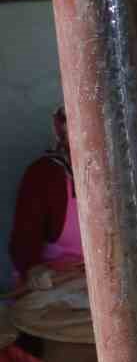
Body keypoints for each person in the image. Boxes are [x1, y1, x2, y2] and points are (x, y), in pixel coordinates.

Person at [8, 106, 84, 281]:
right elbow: (24, 245)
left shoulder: (125, 170)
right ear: (60, 129)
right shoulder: (45, 174)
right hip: (60, 284)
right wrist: (34, 271)